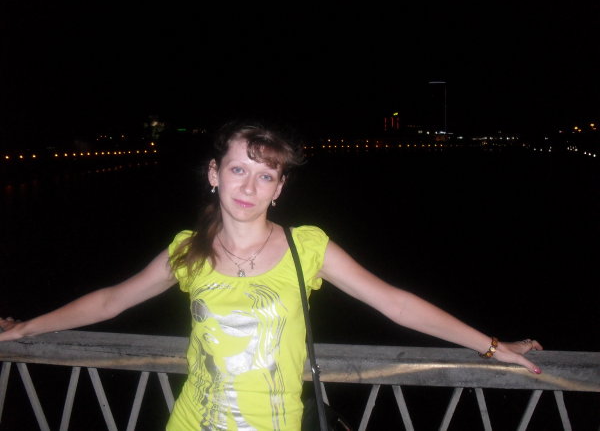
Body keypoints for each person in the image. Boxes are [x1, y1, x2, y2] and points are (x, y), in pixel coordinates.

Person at [0, 120, 543, 430]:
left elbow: (396, 304)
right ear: (214, 174)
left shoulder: (307, 247)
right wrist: (25, 329)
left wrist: (492, 346)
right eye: (238, 169)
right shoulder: (187, 251)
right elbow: (109, 302)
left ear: (279, 189)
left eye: (266, 176)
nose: (249, 186)